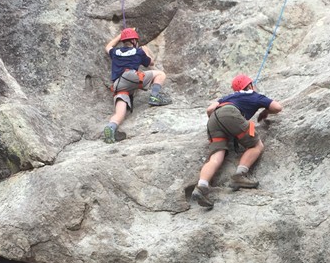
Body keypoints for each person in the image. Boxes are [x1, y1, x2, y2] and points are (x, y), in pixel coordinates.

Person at [190, 74, 283, 208]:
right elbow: (277, 107)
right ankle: (240, 175)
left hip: (214, 119)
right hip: (231, 113)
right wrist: (265, 112)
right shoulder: (255, 96)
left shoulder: (227, 97)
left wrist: (221, 121)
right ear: (250, 86)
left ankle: (201, 187)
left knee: (216, 157)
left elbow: (210, 109)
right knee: (256, 145)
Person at [103, 26, 172, 145]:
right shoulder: (138, 52)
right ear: (134, 40)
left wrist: (121, 35)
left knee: (119, 113)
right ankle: (154, 96)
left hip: (118, 85)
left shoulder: (115, 52)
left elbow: (108, 46)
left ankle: (111, 127)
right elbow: (151, 63)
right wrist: (146, 51)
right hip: (131, 77)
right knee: (160, 74)